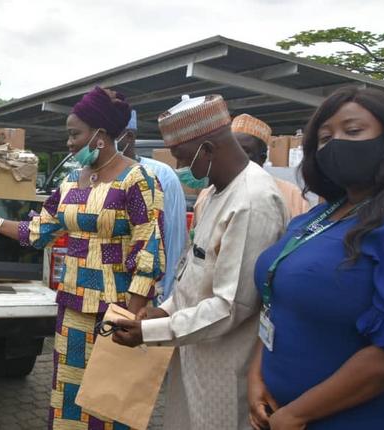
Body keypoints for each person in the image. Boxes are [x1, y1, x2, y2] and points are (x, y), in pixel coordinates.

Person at [0, 86, 166, 430]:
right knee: (70, 402)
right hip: (72, 310)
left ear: (100, 135)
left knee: (110, 402)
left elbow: (148, 249)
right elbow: (39, 231)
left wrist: (132, 313)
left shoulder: (138, 180)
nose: (69, 142)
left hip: (114, 312)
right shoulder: (72, 182)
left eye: (75, 134)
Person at [110, 95, 288, 429]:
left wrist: (150, 331)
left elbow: (231, 306)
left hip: (224, 365)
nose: (178, 167)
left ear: (207, 149)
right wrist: (165, 309)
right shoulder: (213, 193)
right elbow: (194, 272)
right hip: (192, 350)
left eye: (180, 156)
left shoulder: (252, 201)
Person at [247, 87, 384, 430]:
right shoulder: (316, 218)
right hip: (278, 413)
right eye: (325, 138)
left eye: (353, 131)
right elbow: (277, 302)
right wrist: (257, 376)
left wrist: (299, 414)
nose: (336, 143)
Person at [118, 109, 188, 302]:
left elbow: (174, 239)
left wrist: (167, 298)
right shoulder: (95, 177)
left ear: (129, 136)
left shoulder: (160, 175)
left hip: (149, 295)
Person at [194, 113, 311, 221]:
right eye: (231, 150)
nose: (234, 157)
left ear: (262, 158)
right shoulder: (207, 195)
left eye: (243, 151)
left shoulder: (291, 195)